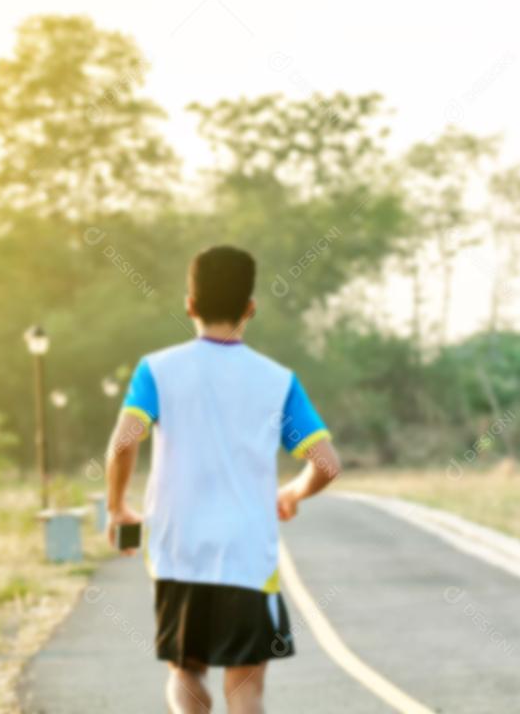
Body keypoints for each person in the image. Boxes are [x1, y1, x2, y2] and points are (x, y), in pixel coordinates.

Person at [104, 245, 342, 714]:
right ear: (250, 309)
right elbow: (327, 463)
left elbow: (124, 443)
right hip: (247, 558)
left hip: (179, 552)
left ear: (189, 305)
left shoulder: (157, 369)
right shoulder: (278, 380)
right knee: (246, 690)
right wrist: (294, 492)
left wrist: (117, 507)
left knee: (185, 671)